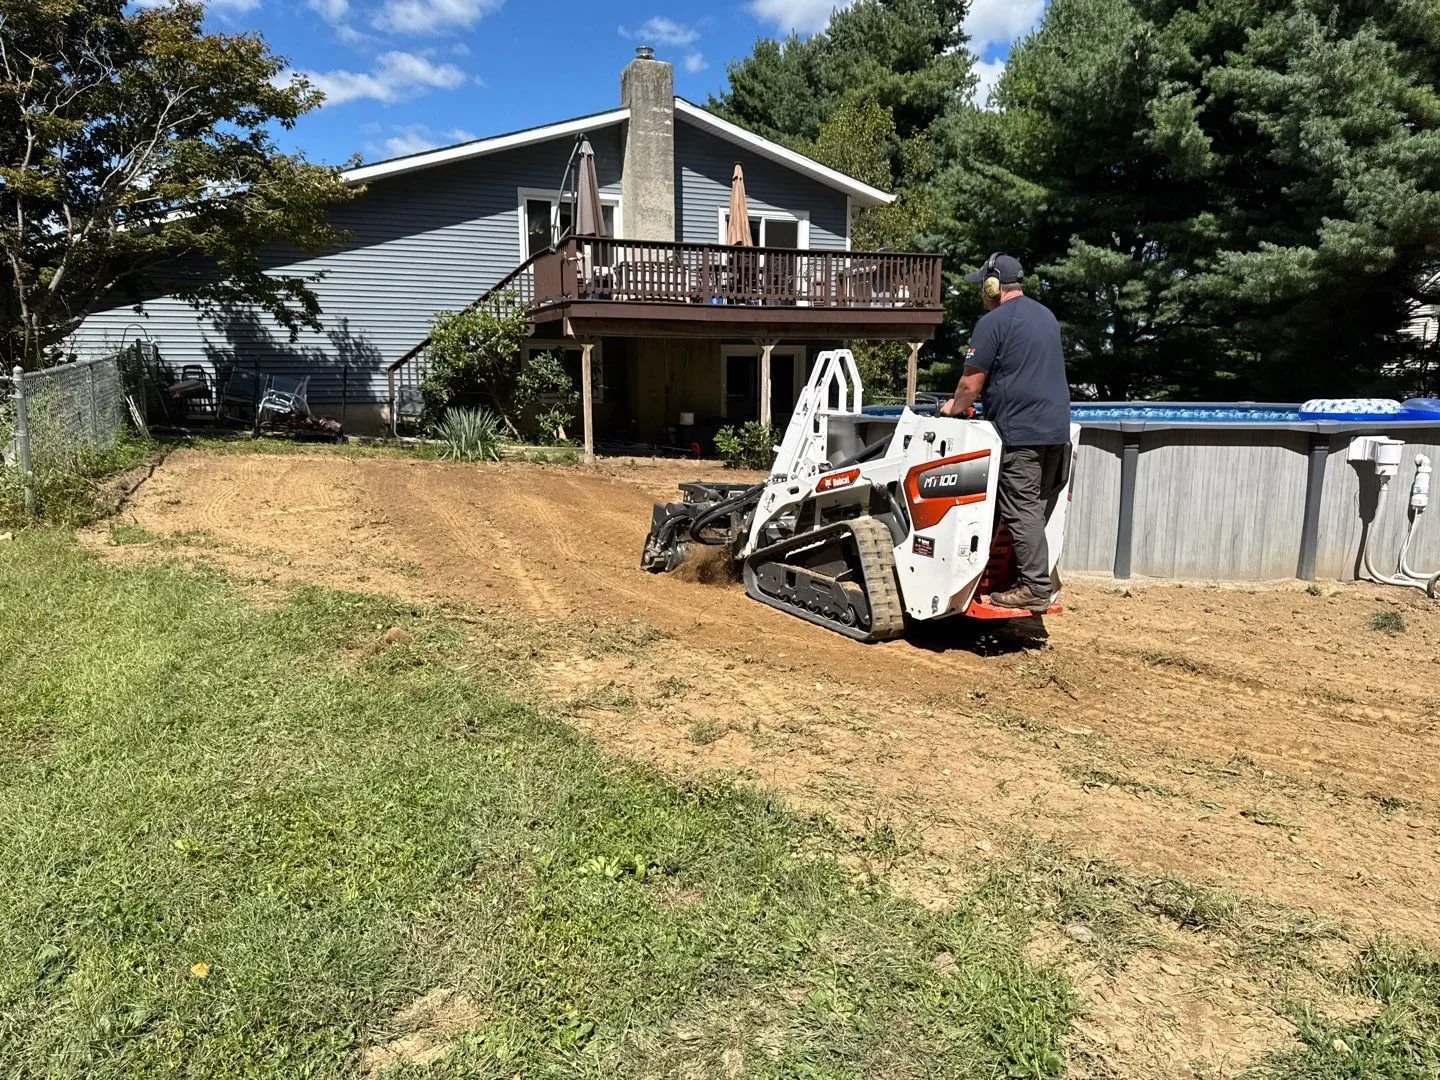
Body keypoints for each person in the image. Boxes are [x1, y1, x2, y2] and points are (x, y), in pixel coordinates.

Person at [940, 253, 1071, 612]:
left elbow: (970, 383)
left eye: (982, 285)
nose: (981, 293)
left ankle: (1034, 587)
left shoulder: (993, 321)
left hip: (1021, 434)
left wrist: (952, 407)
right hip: (1056, 432)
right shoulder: (1046, 316)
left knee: (1021, 508)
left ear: (993, 285)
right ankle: (1015, 577)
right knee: (1033, 508)